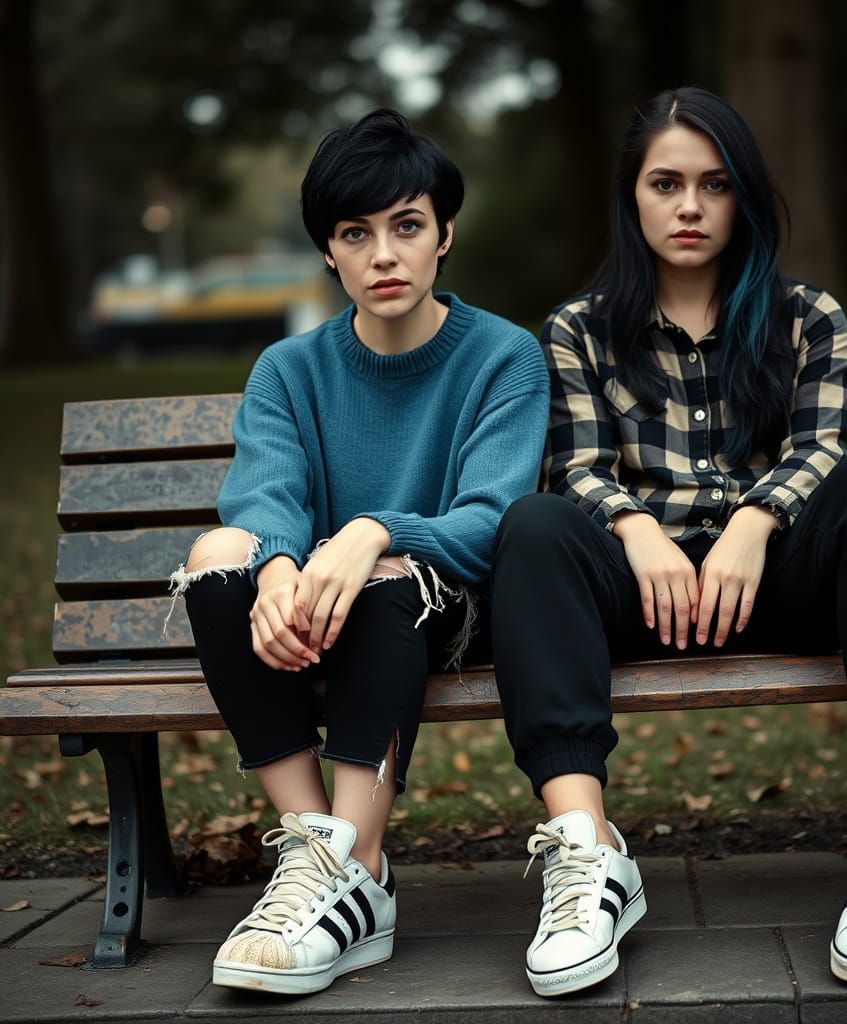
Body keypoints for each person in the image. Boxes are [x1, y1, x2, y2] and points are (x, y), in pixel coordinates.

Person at [490, 86, 847, 996]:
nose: (691, 206)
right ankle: (589, 859)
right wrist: (632, 525)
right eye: (666, 183)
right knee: (534, 525)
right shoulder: (577, 331)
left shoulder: (806, 317)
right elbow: (576, 467)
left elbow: (825, 446)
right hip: (644, 600)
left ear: (743, 196)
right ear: (633, 197)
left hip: (777, 587)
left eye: (714, 184)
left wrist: (755, 518)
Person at [170, 108, 549, 996]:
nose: (384, 254)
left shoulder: (504, 357)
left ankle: (356, 861)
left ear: (444, 235)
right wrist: (272, 567)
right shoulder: (289, 369)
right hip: (310, 616)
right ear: (328, 252)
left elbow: (492, 520)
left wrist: (373, 530)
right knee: (222, 545)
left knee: (383, 574)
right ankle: (327, 860)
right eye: (356, 233)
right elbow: (264, 496)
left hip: (441, 606)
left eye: (407, 226)